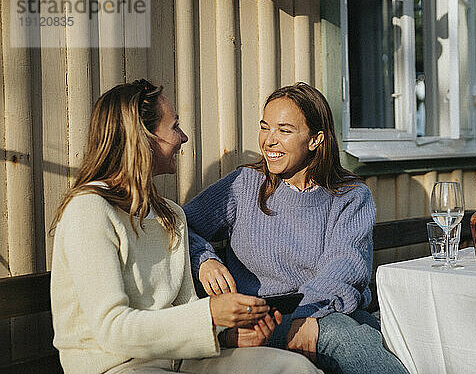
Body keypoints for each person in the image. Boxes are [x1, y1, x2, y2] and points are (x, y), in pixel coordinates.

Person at [49, 79, 322, 374]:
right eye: (174, 127)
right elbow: (112, 328)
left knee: (293, 368)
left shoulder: (171, 215)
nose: (184, 137)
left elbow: (184, 308)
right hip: (116, 367)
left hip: (183, 361)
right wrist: (210, 314)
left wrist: (228, 335)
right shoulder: (90, 210)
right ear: (144, 138)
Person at [183, 82, 409, 374]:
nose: (269, 141)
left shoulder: (349, 196)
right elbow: (179, 226)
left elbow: (343, 270)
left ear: (315, 140)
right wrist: (205, 259)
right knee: (343, 335)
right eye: (265, 127)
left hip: (325, 313)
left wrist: (304, 322)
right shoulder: (244, 185)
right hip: (261, 323)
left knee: (344, 330)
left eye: (284, 131)